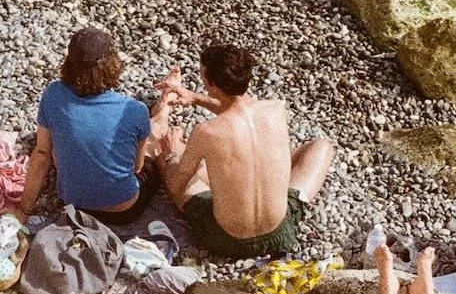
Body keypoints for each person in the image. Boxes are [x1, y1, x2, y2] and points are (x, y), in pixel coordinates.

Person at [156, 40, 333, 260]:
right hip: (280, 232)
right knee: (322, 147)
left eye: (203, 79)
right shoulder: (275, 109)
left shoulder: (206, 132)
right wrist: (195, 99)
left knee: (170, 161)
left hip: (228, 240)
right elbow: (237, 110)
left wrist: (172, 154)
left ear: (212, 85)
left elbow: (176, 185)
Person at [19, 25, 175, 227]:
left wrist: (23, 210)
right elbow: (136, 168)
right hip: (124, 210)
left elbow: (42, 154)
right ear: (112, 64)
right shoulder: (134, 109)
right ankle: (167, 101)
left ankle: (165, 103)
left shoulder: (54, 94)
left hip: (74, 205)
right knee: (155, 135)